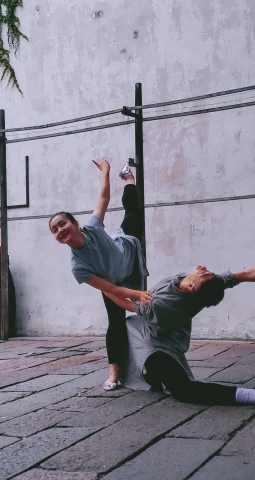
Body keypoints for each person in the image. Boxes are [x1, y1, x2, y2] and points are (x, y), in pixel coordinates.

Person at [105, 258, 255, 408]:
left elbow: (123, 302)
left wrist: (98, 283)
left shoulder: (162, 305)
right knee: (157, 381)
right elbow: (248, 274)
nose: (205, 269)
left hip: (153, 343)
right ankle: (153, 377)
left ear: (191, 289)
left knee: (184, 391)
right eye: (207, 272)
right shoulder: (206, 285)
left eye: (204, 274)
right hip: (160, 334)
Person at [48, 158, 151, 390]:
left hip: (127, 247)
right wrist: (138, 296)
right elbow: (113, 290)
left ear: (74, 223)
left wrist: (106, 171)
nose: (59, 231)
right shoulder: (78, 268)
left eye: (62, 224)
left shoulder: (93, 227)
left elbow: (103, 197)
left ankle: (128, 178)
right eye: (54, 230)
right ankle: (114, 373)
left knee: (133, 211)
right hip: (113, 283)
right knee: (115, 322)